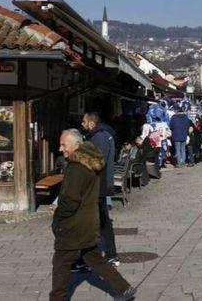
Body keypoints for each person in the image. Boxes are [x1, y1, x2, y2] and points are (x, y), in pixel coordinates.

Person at [50, 129, 136, 301]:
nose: (61, 149)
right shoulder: (89, 162)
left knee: (60, 264)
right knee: (94, 258)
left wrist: (58, 216)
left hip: (74, 225)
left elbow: (70, 200)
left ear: (76, 145)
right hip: (88, 221)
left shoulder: (76, 167)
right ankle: (123, 288)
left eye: (63, 145)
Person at [81, 112, 119, 267]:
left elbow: (97, 161)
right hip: (100, 184)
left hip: (97, 184)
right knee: (101, 221)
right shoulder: (103, 134)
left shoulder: (100, 136)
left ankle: (90, 258)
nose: (81, 124)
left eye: (83, 121)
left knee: (91, 222)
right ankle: (109, 255)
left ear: (91, 123)